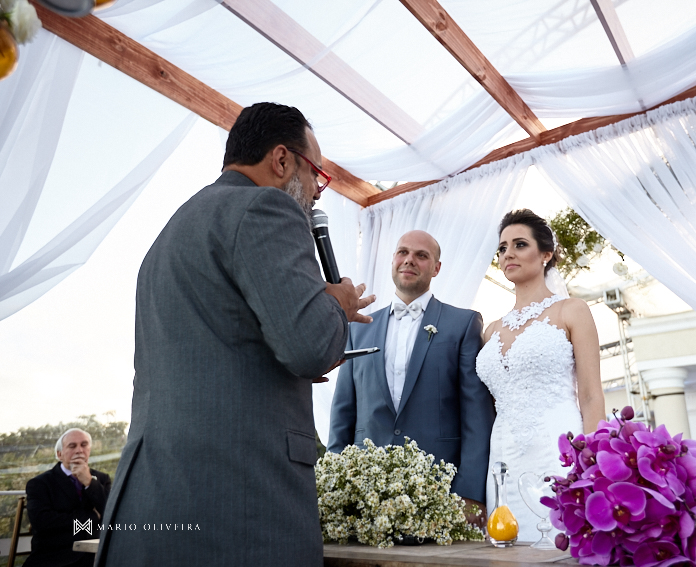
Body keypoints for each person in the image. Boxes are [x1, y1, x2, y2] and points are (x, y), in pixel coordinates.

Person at [96, 103, 374, 567]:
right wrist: (336, 305)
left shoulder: (171, 233)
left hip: (149, 500)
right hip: (236, 504)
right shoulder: (268, 208)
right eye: (316, 175)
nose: (315, 194)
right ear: (282, 160)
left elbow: (219, 346)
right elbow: (308, 347)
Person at [328, 230, 495, 524]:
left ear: (436, 267)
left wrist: (470, 494)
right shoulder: (358, 328)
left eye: (421, 255)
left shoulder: (463, 324)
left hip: (441, 491)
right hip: (367, 493)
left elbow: (476, 418)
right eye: (403, 252)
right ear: (393, 259)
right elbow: (343, 412)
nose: (409, 260)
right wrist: (334, 484)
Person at [476, 209, 605, 542]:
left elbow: (591, 395)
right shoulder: (490, 330)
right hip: (501, 457)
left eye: (520, 244)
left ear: (546, 254)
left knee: (558, 544)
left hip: (556, 449)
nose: (508, 254)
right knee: (506, 547)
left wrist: (594, 464)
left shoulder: (571, 310)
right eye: (502, 248)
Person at [24, 428, 112, 567]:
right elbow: (42, 522)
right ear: (59, 454)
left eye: (84, 445)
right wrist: (92, 516)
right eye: (72, 446)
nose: (79, 450)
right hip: (57, 558)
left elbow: (112, 513)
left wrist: (89, 482)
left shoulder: (101, 479)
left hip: (97, 556)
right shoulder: (40, 483)